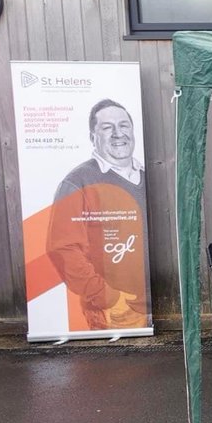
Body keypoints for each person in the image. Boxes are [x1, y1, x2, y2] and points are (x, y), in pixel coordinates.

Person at [47, 99, 151, 331]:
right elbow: (63, 248)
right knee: (116, 368)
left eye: (124, 126)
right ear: (93, 136)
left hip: (159, 306)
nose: (118, 133)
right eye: (107, 127)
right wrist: (108, 297)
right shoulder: (77, 182)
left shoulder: (150, 175)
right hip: (118, 311)